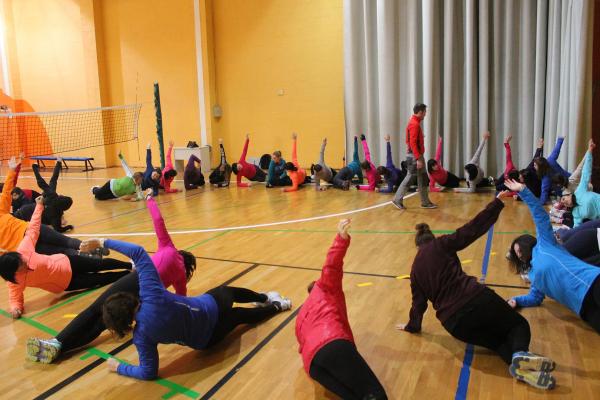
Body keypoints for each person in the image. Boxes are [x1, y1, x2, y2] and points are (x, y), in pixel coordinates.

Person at [397, 194, 556, 390]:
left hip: (454, 324)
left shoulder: (414, 272)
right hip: (475, 299)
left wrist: (411, 326)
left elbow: (418, 305)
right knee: (518, 326)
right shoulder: (442, 244)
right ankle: (520, 353)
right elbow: (471, 230)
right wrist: (496, 203)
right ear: (432, 237)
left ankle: (522, 369)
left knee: (499, 343)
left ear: (418, 246)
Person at [83, 238, 291, 380]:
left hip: (206, 339)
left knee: (238, 316)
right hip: (209, 307)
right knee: (228, 292)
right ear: (126, 298)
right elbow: (138, 252)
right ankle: (265, 297)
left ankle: (277, 306)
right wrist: (102, 242)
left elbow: (148, 373)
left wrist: (120, 367)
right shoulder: (151, 293)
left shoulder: (141, 337)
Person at [26, 193, 198, 363]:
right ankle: (60, 348)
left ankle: (57, 342)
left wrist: (149, 199)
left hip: (136, 280)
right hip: (144, 299)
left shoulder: (170, 248)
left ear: (181, 253)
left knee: (94, 310)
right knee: (102, 323)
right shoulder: (181, 275)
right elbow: (180, 299)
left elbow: (158, 221)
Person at [295, 219, 388, 399]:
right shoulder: (325, 288)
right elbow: (331, 266)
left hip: (313, 365)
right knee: (375, 394)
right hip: (332, 344)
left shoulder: (302, 315)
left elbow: (302, 346)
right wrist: (341, 238)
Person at [0, 197, 132, 319]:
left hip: (67, 262)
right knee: (100, 280)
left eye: (20, 259)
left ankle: (129, 265)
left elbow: (33, 229)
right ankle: (127, 275)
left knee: (100, 264)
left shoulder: (23, 251)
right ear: (13, 273)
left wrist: (39, 206)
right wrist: (16, 309)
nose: (23, 261)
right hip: (66, 283)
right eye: (20, 265)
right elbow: (15, 298)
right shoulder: (15, 282)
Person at [504, 178, 600, 334]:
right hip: (583, 308)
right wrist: (515, 301)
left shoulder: (544, 244)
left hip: (592, 282)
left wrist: (523, 190)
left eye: (519, 249)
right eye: (516, 253)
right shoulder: (533, 276)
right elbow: (534, 299)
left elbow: (540, 215)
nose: (518, 254)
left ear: (528, 243)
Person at [1, 157, 86, 256]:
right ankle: (93, 248)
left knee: (61, 250)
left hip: (24, 242)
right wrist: (12, 170)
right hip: (30, 226)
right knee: (66, 242)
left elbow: (48, 180)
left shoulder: (52, 196)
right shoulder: (56, 214)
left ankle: (84, 255)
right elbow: (6, 192)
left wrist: (35, 169)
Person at [392, 103, 436, 209]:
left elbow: (410, 140)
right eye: (425, 112)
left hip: (417, 156)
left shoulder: (414, 123)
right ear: (420, 112)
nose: (425, 114)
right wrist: (418, 159)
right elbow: (412, 143)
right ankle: (397, 199)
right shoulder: (414, 124)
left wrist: (421, 138)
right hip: (415, 157)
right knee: (410, 178)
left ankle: (425, 202)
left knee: (423, 179)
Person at [13, 159, 74, 232]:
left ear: (61, 197)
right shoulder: (56, 215)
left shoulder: (52, 195)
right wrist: (68, 227)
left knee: (10, 218)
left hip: (26, 210)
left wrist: (58, 163)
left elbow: (50, 180)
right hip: (30, 218)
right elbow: (58, 229)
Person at [559, 140, 600, 227]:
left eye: (563, 199)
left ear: (569, 195)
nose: (564, 202)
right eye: (564, 204)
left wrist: (589, 151)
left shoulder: (579, 191)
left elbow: (586, 172)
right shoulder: (576, 213)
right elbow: (576, 228)